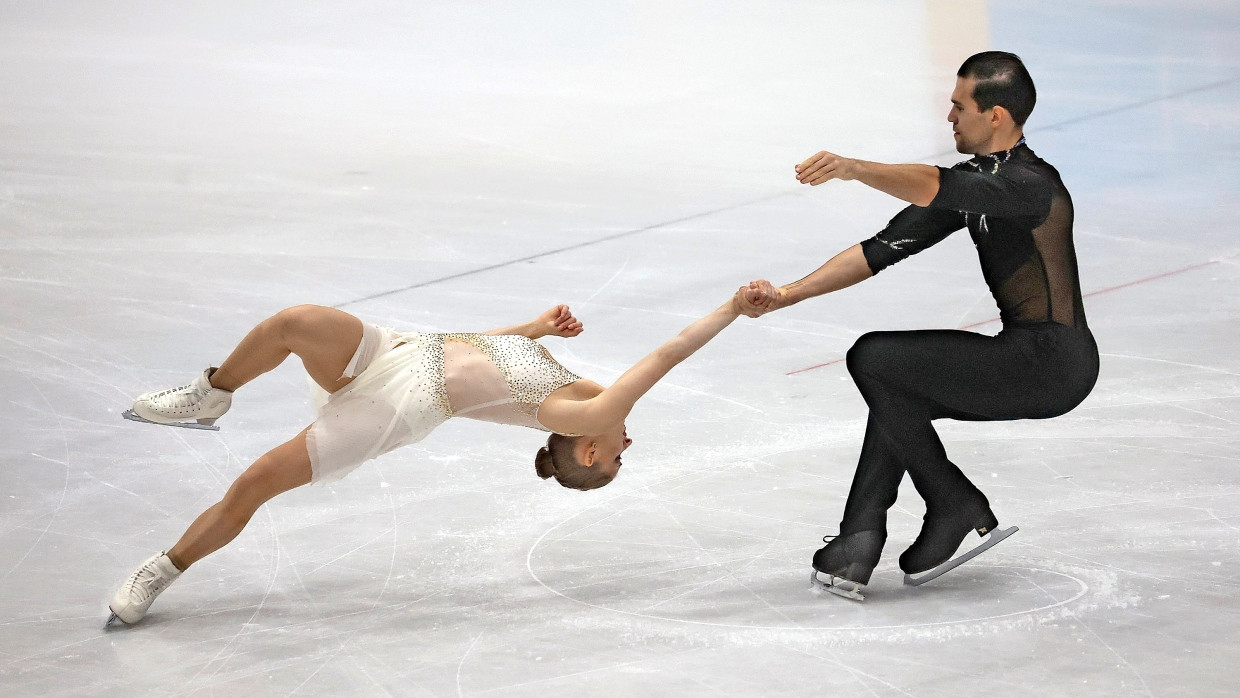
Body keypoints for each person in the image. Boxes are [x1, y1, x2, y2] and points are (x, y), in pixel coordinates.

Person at [108, 298, 745, 625]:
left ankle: (161, 571)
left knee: (254, 482)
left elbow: (667, 356)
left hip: (399, 403)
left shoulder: (582, 414)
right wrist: (533, 328)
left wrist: (732, 310)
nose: (626, 448)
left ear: (589, 449)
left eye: (615, 462)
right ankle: (210, 394)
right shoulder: (571, 389)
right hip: (404, 350)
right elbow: (485, 358)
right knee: (294, 322)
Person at [737, 51, 1099, 596]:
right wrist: (786, 295)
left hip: (1052, 362)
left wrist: (856, 169)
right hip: (1027, 356)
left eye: (959, 106)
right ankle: (856, 543)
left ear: (995, 115)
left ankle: (953, 501)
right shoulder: (977, 182)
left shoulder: (1029, 183)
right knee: (896, 392)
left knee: (874, 357)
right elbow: (881, 249)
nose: (949, 116)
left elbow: (936, 186)